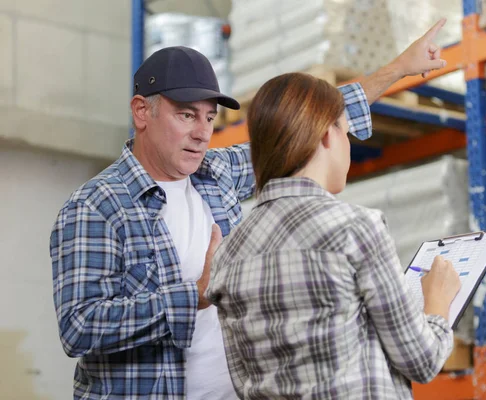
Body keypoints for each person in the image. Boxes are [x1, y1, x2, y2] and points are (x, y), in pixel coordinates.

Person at [50, 18, 450, 399]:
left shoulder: (215, 174)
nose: (202, 133)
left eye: (208, 117)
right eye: (186, 115)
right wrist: (196, 295)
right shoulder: (95, 207)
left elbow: (302, 126)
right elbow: (79, 327)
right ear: (142, 111)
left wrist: (399, 68)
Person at [205, 31, 461, 400]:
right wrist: (437, 301)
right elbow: (421, 360)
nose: (348, 142)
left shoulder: (228, 256)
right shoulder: (356, 228)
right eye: (345, 128)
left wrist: (397, 69)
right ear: (327, 135)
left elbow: (244, 384)